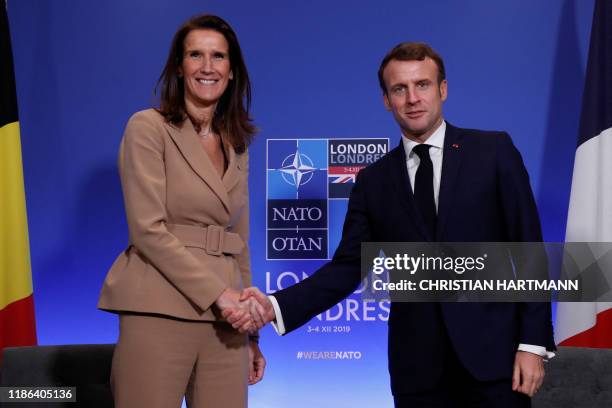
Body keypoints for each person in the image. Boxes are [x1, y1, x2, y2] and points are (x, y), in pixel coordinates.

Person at [227, 42, 556, 407]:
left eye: (423, 84)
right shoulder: (373, 181)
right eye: (400, 89)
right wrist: (274, 306)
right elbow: (348, 268)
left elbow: (528, 250)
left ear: (443, 89)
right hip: (418, 371)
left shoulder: (493, 151)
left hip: (495, 362)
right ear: (387, 99)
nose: (413, 98)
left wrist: (532, 343)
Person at [98, 14, 265, 408]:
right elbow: (147, 231)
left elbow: (237, 242)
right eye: (196, 55)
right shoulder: (148, 128)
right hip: (158, 306)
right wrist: (218, 294)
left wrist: (251, 333)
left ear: (232, 70)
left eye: (218, 57)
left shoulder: (236, 144)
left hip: (226, 324)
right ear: (179, 66)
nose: (208, 67)